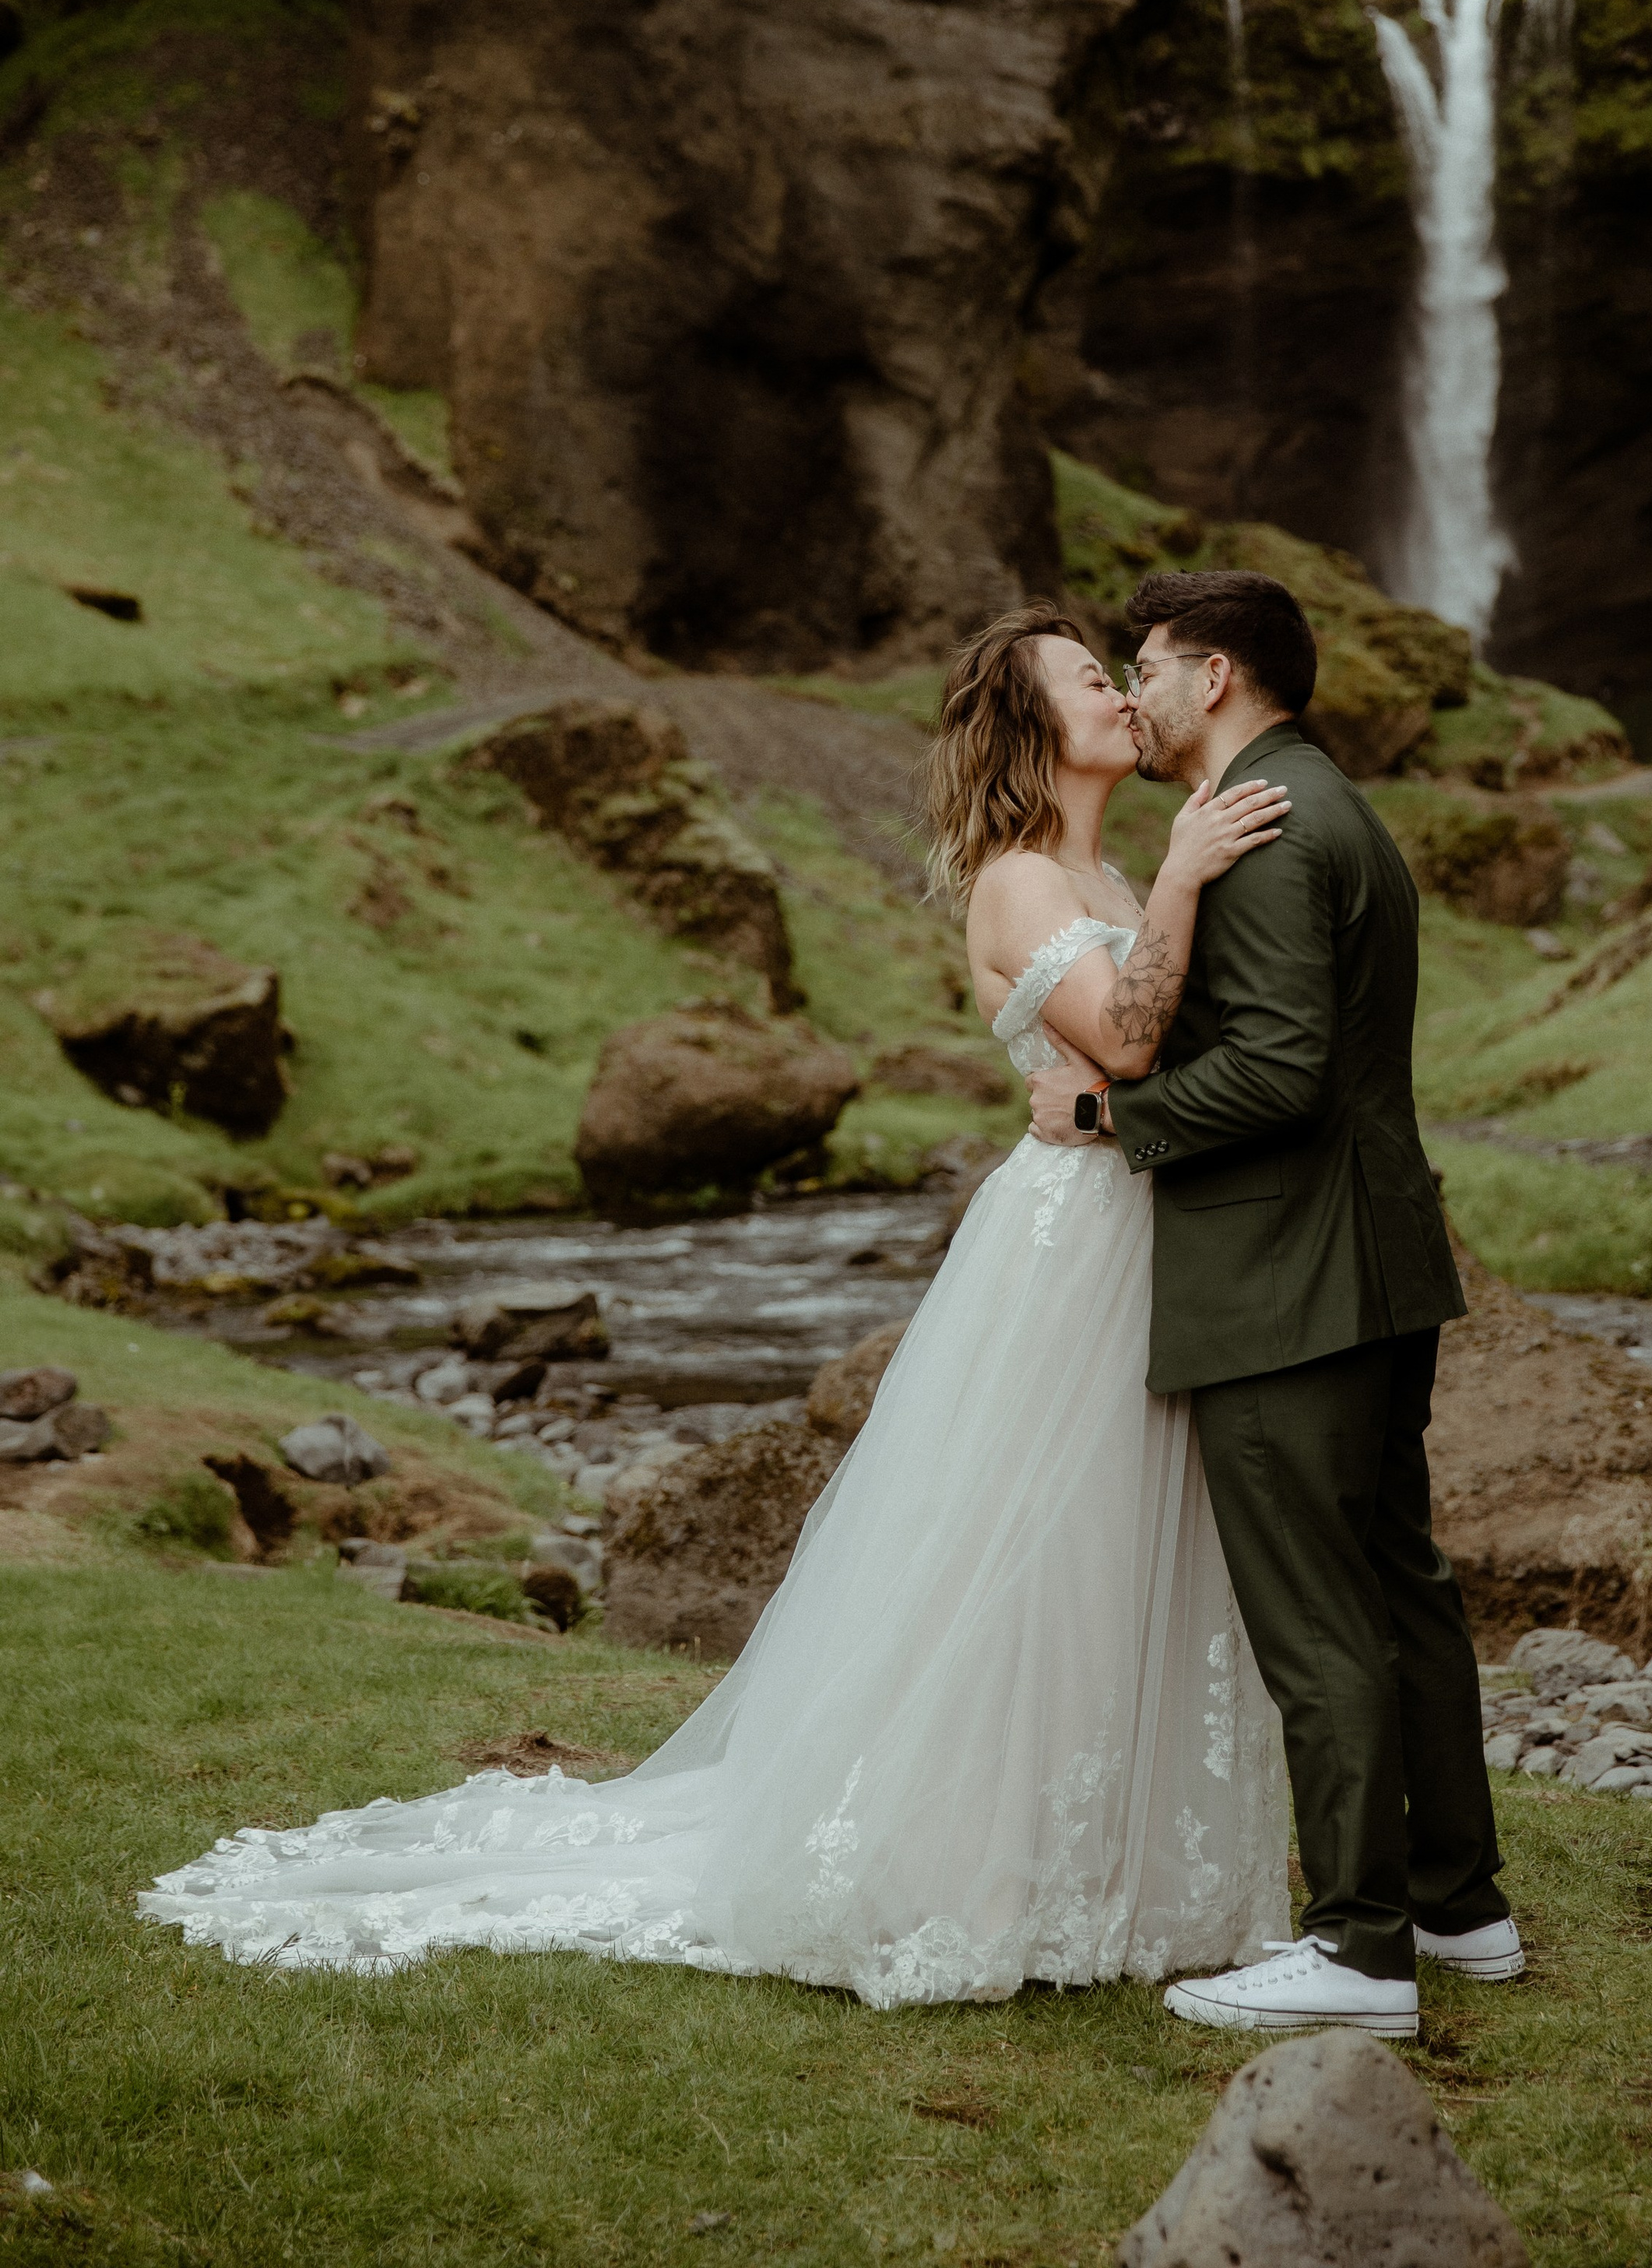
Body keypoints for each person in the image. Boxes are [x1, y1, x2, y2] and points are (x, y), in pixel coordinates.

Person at [136, 607, 1299, 2003]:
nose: (1120, 695)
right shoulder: (1022, 883)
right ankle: (980, 1873)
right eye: (1089, 681)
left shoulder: (1105, 870)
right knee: (1028, 1555)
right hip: (1070, 1256)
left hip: (1142, 1229)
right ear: (1027, 727)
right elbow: (1120, 1034)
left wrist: (1155, 925)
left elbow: (1146, 1064)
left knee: (1125, 1543)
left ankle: (1116, 1873)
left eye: (1122, 676)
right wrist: (1179, 886)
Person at [1026, 567, 1517, 2038]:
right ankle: (1460, 1905)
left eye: (1151, 665)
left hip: (1287, 1275)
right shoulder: (1322, 803)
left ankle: (1361, 1952)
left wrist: (1112, 1121)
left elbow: (1280, 1068)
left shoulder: (1268, 834)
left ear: (1219, 675)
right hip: (1367, 1258)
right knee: (1394, 1587)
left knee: (1316, 1615)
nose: (1138, 690)